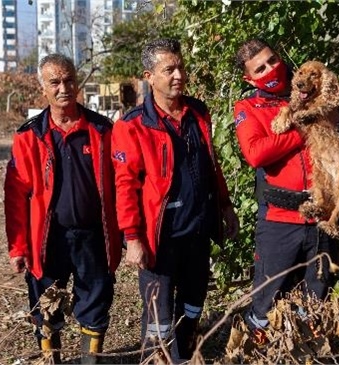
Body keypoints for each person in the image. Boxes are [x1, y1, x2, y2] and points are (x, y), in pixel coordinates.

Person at [233, 39, 339, 345]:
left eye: (272, 60)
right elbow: (256, 153)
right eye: (260, 69)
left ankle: (307, 353)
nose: (270, 70)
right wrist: (307, 125)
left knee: (315, 299)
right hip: (279, 220)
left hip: (322, 218)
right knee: (266, 302)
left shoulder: (321, 93)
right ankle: (259, 353)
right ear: (250, 79)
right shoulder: (249, 107)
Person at [111, 38, 240, 362]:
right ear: (149, 76)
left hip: (197, 232)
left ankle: (185, 356)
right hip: (159, 239)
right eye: (169, 69)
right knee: (159, 318)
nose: (178, 75)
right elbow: (124, 185)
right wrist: (132, 237)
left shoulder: (198, 112)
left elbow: (212, 165)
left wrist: (225, 207)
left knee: (193, 305)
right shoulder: (133, 125)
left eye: (181, 67)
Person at [4, 53, 122, 364]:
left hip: (93, 237)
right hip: (48, 239)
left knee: (95, 305)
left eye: (69, 80)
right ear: (42, 87)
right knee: (46, 306)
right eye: (54, 82)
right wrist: (18, 247)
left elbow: (121, 184)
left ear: (77, 82)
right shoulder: (29, 135)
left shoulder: (102, 130)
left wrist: (126, 232)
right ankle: (50, 359)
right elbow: (16, 196)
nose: (63, 88)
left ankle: (89, 361)